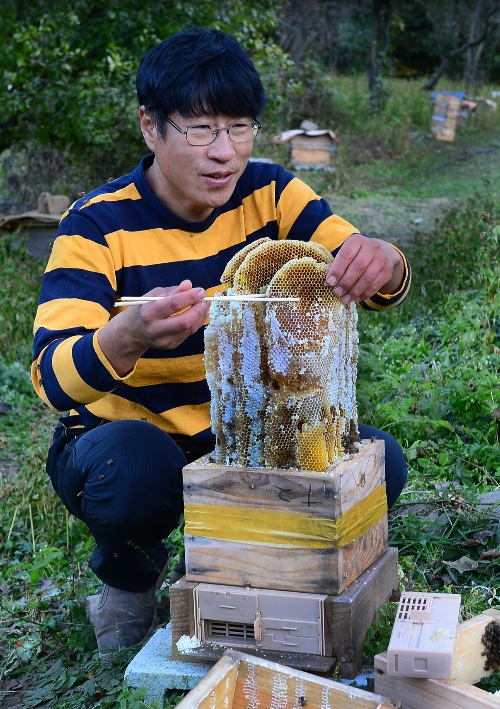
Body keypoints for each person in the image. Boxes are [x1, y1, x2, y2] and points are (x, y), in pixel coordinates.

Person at [32, 27, 411, 656]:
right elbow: (50, 376)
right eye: (201, 130)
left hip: (242, 433)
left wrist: (385, 260)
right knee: (134, 469)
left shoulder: (273, 191)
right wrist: (122, 339)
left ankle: (251, 565)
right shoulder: (96, 224)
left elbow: (364, 271)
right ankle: (128, 582)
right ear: (150, 127)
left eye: (239, 127)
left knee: (379, 465)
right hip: (130, 438)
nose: (224, 153)